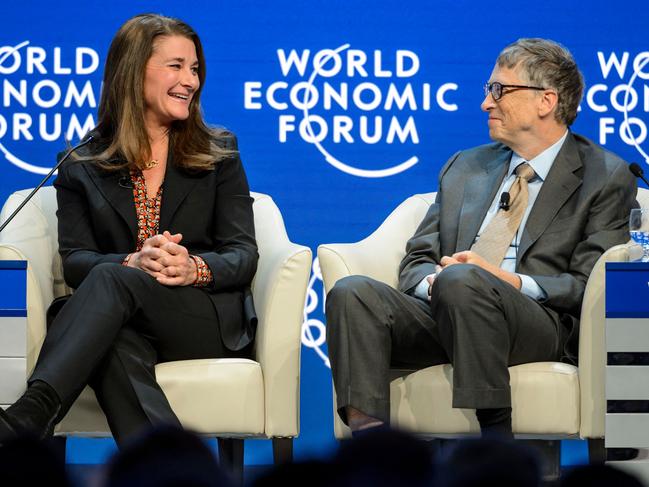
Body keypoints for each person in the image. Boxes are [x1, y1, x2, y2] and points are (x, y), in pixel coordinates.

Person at [326, 38, 637, 438]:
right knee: (353, 293)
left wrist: (508, 282)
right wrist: (435, 283)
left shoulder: (604, 176)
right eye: (488, 91)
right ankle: (372, 449)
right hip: (448, 307)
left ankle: (495, 442)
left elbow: (589, 282)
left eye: (500, 91)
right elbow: (418, 257)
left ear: (546, 101)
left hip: (535, 323)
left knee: (465, 280)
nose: (486, 103)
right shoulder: (465, 166)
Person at [0, 14, 258, 445]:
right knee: (110, 333)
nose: (190, 80)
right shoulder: (81, 164)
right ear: (133, 72)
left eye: (194, 69)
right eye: (175, 66)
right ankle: (173, 466)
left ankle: (33, 413)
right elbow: (77, 260)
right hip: (120, 319)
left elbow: (243, 255)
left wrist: (194, 267)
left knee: (98, 290)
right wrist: (131, 261)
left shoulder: (219, 154)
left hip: (199, 317)